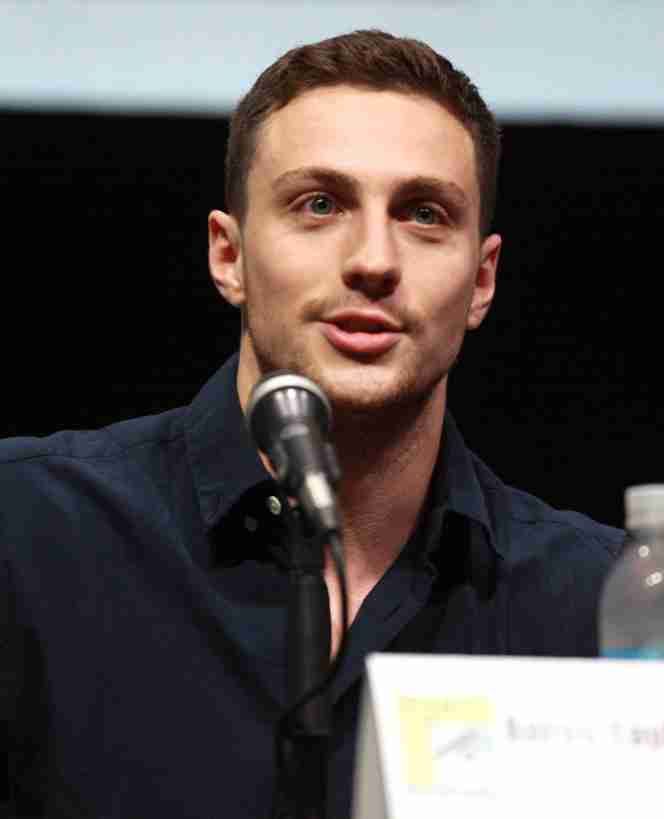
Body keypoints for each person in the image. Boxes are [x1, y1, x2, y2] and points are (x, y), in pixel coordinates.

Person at [0, 29, 623, 819]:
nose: (373, 259)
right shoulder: (28, 535)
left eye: (424, 214)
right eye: (319, 204)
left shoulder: (596, 600)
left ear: (482, 280)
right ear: (229, 255)